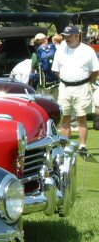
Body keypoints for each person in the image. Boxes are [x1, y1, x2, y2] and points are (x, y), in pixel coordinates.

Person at [52, 24, 99, 155]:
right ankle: (65, 146)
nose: (65, 38)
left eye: (68, 36)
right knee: (65, 117)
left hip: (82, 87)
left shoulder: (87, 50)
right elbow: (56, 70)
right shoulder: (60, 50)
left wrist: (87, 82)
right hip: (65, 87)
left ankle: (83, 146)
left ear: (76, 36)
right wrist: (66, 79)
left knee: (81, 117)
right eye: (64, 36)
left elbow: (95, 70)